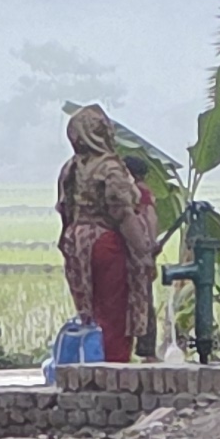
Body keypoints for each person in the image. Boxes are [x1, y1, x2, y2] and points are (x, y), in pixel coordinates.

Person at [55, 106, 160, 364]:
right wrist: (143, 252)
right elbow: (122, 213)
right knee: (115, 311)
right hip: (106, 243)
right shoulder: (110, 168)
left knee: (90, 311)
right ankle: (113, 366)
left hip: (76, 243)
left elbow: (65, 210)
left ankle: (90, 361)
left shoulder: (70, 168)